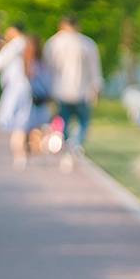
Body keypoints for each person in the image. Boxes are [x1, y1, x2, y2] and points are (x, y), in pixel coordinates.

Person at [43, 15, 102, 167]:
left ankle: (64, 145)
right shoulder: (87, 43)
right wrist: (97, 88)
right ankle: (74, 143)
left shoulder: (53, 43)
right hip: (81, 91)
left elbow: (47, 69)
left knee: (63, 121)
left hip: (58, 90)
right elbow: (95, 70)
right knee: (83, 122)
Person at [0, 25, 34, 168]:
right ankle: (21, 154)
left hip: (16, 87)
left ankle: (21, 153)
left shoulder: (17, 43)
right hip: (25, 86)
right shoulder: (26, 43)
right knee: (22, 122)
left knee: (11, 122)